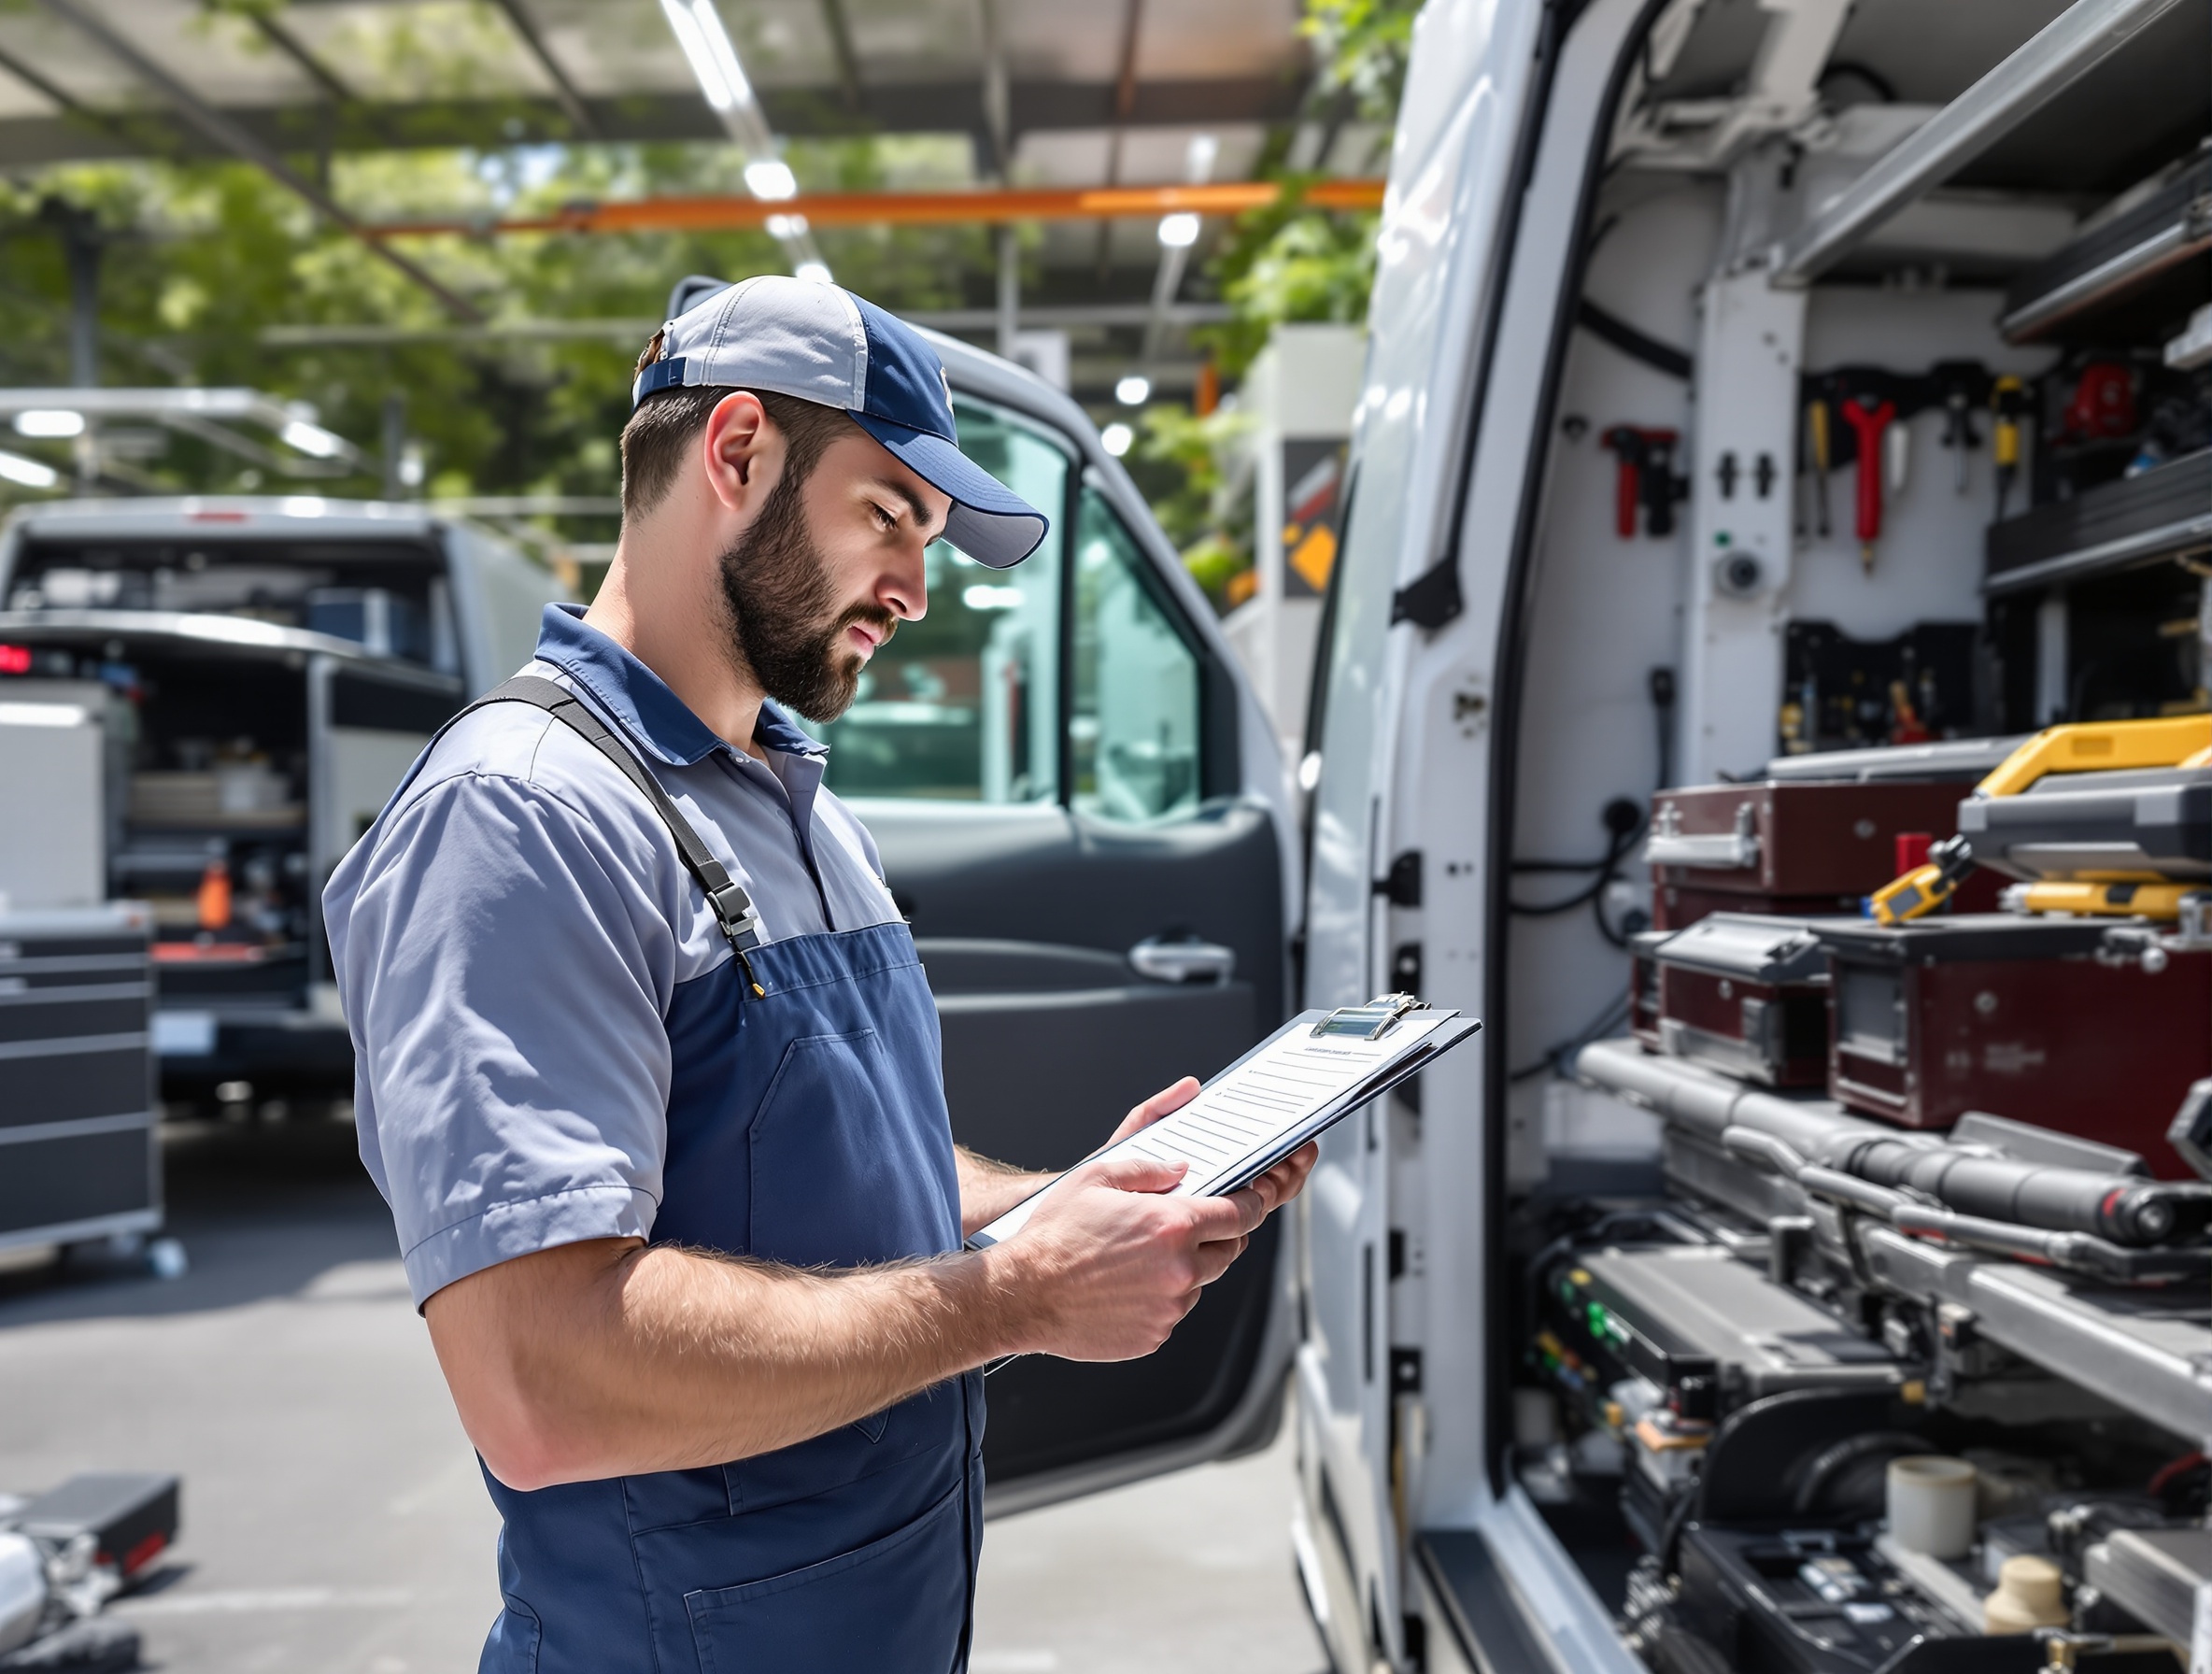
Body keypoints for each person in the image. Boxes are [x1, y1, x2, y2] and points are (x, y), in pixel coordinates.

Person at [324, 275, 1316, 1674]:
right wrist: (1022, 1296)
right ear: (735, 453)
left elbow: (819, 1151)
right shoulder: (525, 817)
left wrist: (1071, 1204)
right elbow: (539, 1380)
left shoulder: (794, 802)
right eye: (889, 516)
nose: (916, 588)